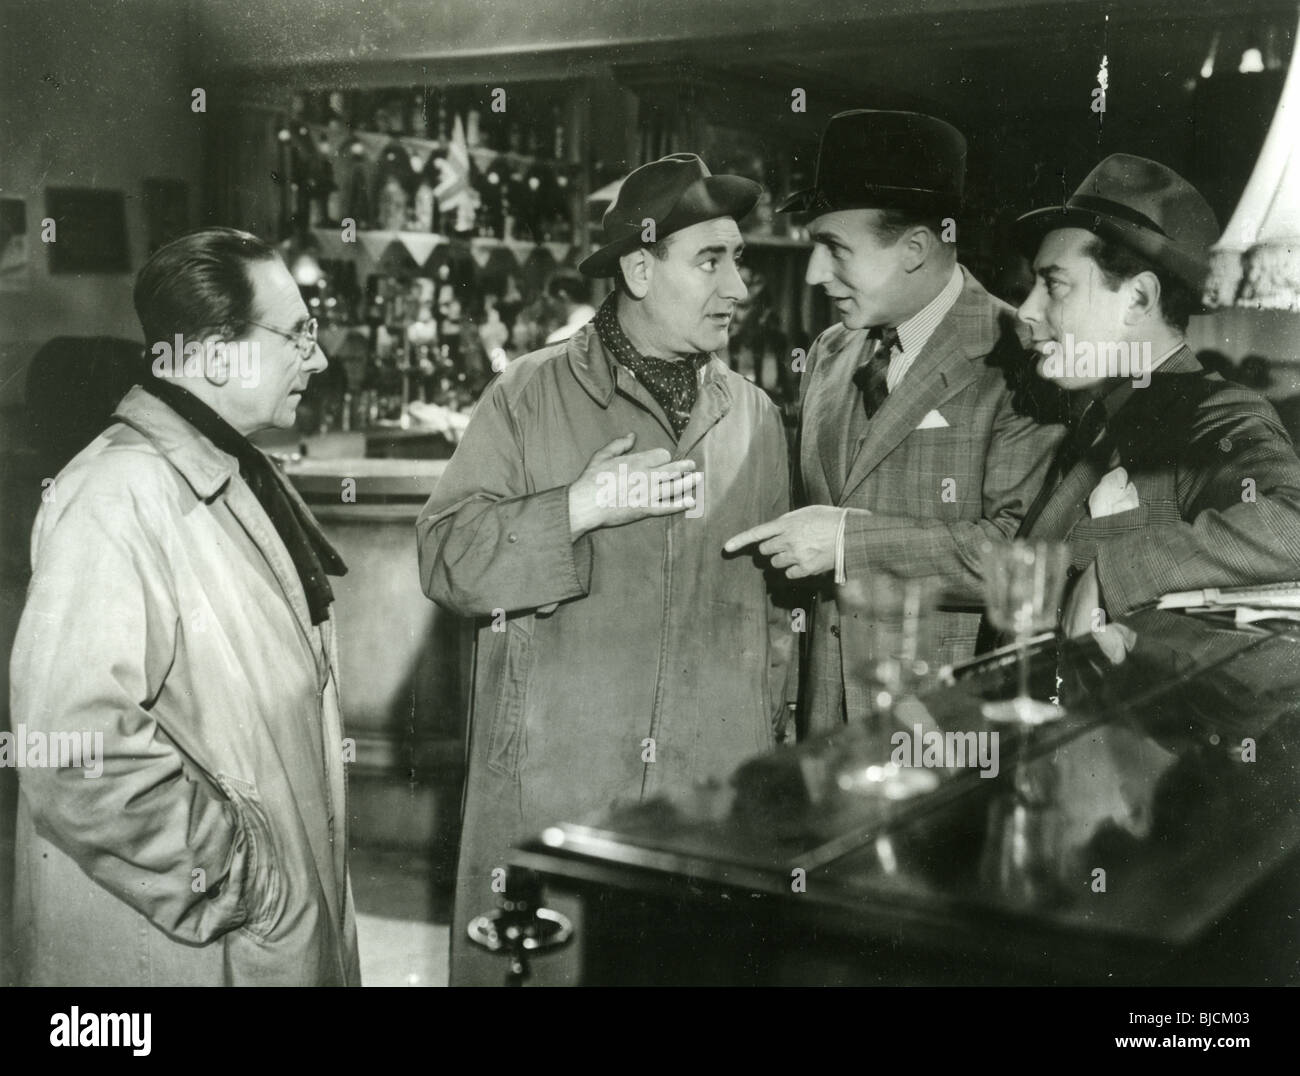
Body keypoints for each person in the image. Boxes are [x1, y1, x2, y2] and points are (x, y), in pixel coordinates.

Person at [417, 153, 794, 986]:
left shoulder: (757, 419)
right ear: (637, 267)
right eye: (711, 261)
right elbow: (448, 560)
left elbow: (772, 621)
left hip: (708, 802)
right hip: (560, 789)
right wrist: (577, 509)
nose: (739, 287)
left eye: (741, 261)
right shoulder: (525, 395)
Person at [9, 227, 360, 986]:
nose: (320, 357)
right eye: (297, 334)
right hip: (192, 952)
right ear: (209, 352)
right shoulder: (118, 493)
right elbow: (76, 750)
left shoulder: (231, 471)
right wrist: (246, 881)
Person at [725, 110, 1064, 735]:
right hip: (827, 729)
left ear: (914, 248)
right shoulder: (831, 350)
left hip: (946, 728)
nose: (813, 274)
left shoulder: (1022, 358)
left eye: (834, 249)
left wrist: (849, 542)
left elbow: (1021, 555)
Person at [1010, 154, 1300, 653]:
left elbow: (1293, 521)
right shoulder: (1100, 418)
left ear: (1139, 300)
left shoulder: (1214, 409)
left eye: (1053, 285)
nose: (1027, 311)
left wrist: (1114, 573)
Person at [543, 269, 596, 343]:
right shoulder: (603, 325)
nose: (550, 307)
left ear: (563, 296)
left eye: (549, 300)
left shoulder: (558, 339)